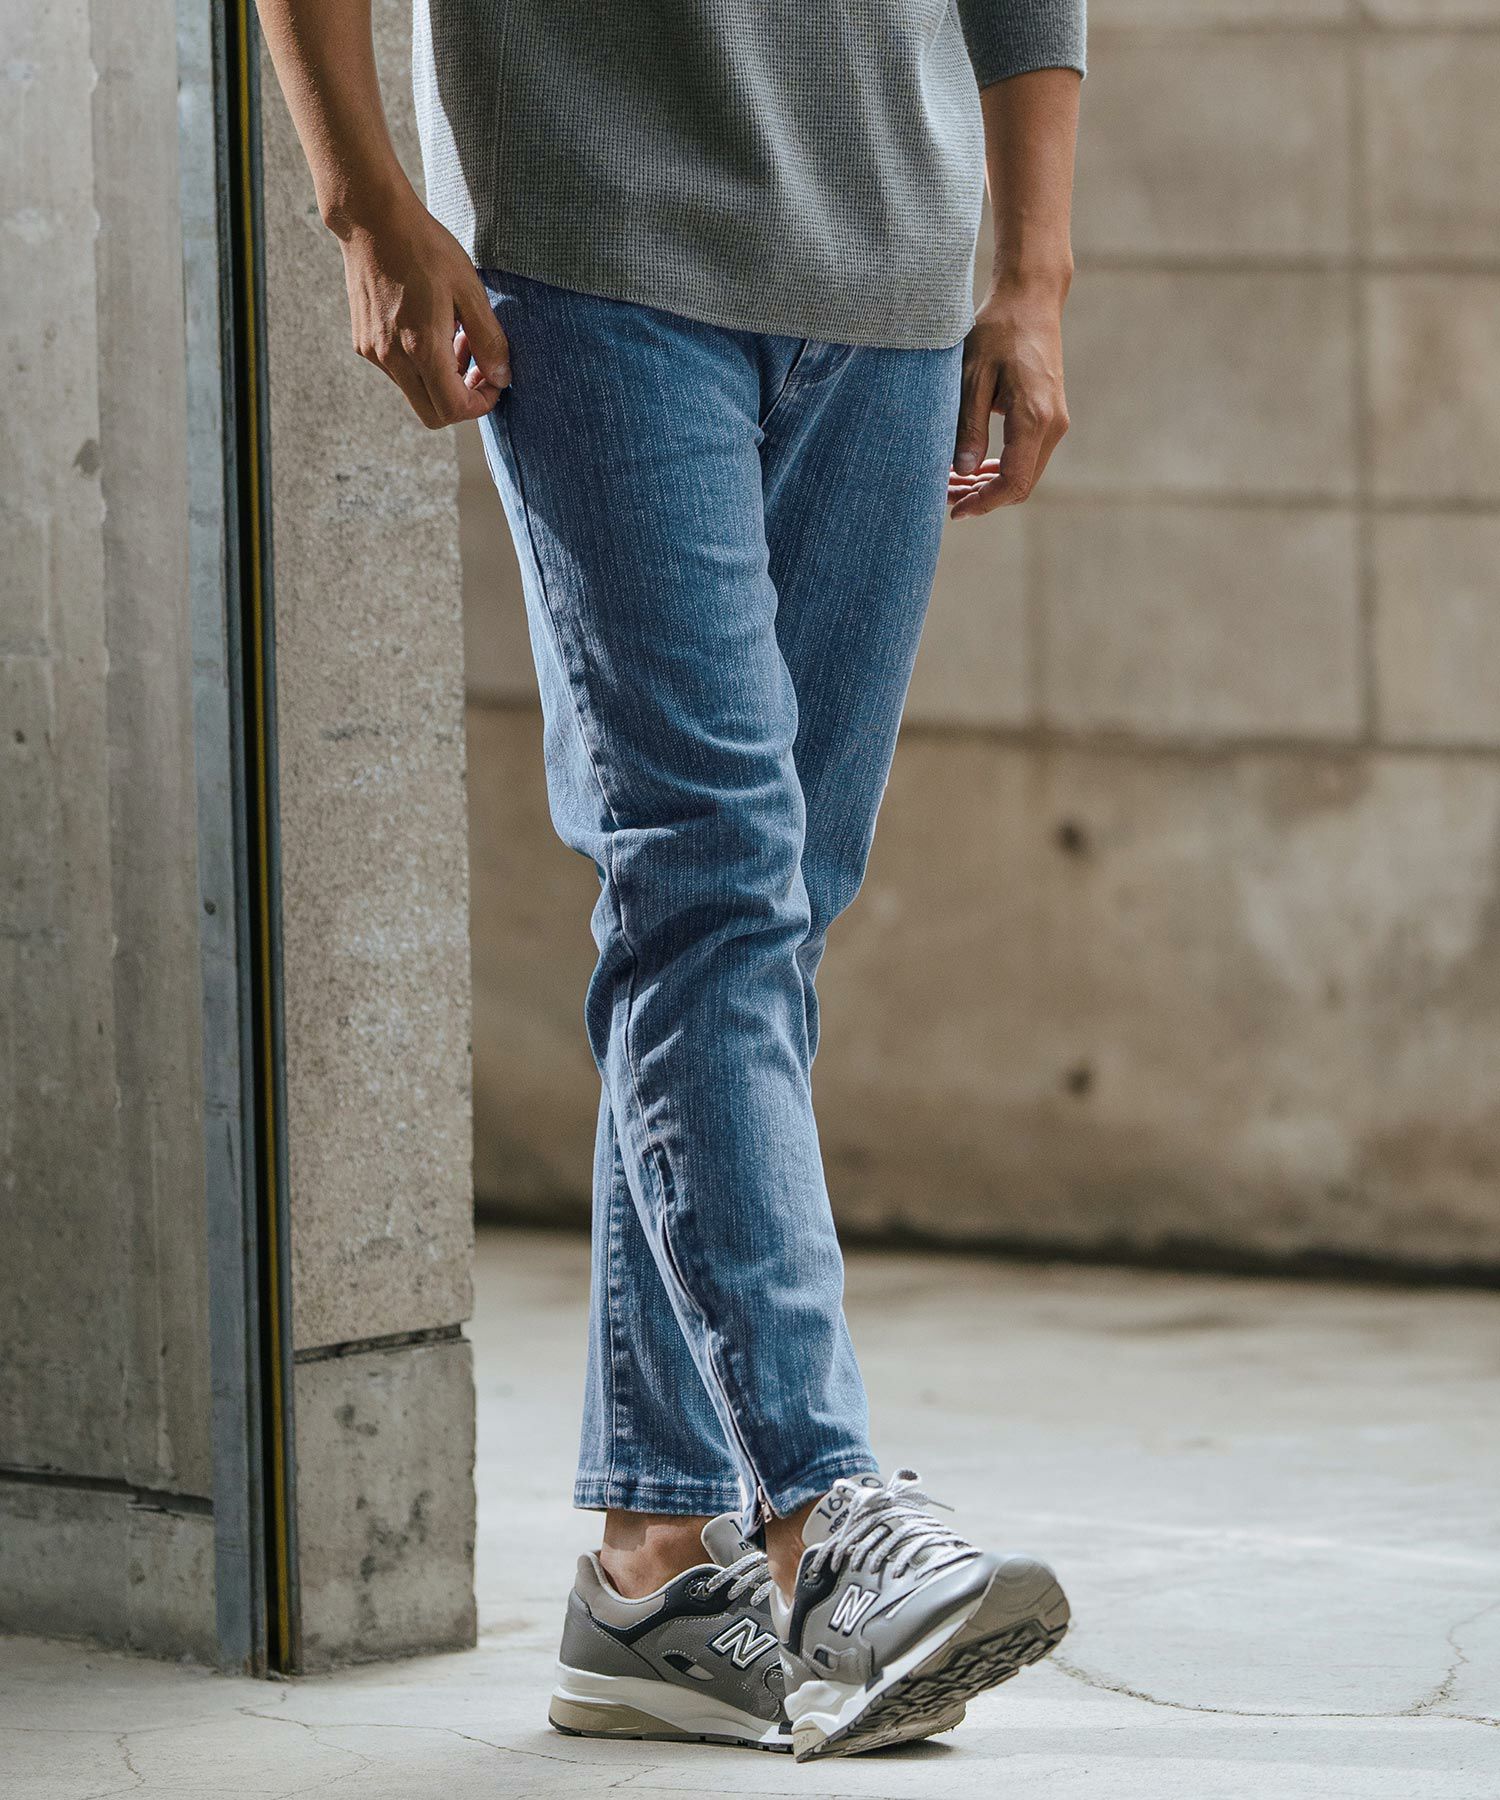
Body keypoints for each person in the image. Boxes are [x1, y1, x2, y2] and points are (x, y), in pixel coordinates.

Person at [258, 0, 1084, 1761]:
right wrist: (364, 202)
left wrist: (1032, 273)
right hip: (593, 254)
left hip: (890, 281)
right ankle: (823, 1510)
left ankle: (653, 1576)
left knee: (764, 921)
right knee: (707, 883)